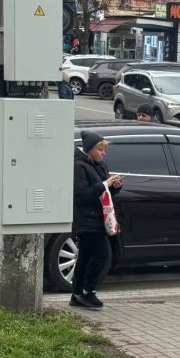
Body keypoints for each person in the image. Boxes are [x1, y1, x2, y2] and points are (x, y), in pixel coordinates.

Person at [71, 131, 123, 310]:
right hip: (86, 220)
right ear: (90, 150)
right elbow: (82, 195)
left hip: (100, 219)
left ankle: (77, 294)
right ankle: (88, 291)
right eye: (100, 150)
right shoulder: (79, 166)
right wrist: (105, 184)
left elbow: (104, 193)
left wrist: (114, 186)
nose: (103, 153)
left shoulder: (100, 165)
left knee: (85, 257)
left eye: (104, 149)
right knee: (102, 255)